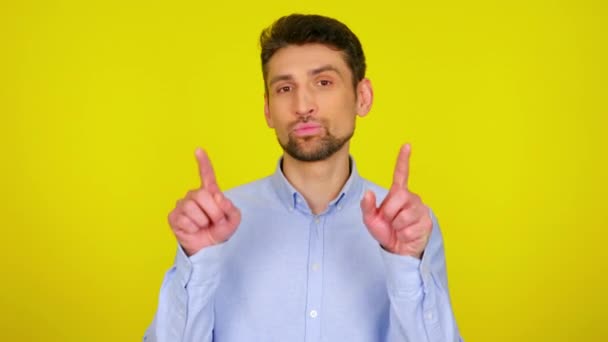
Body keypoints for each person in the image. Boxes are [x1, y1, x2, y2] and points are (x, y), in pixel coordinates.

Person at [144, 14, 463, 342]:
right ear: (268, 109)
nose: (302, 105)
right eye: (285, 88)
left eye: (323, 82)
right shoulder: (214, 225)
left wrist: (405, 265)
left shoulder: (408, 227)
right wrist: (198, 262)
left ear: (362, 96)